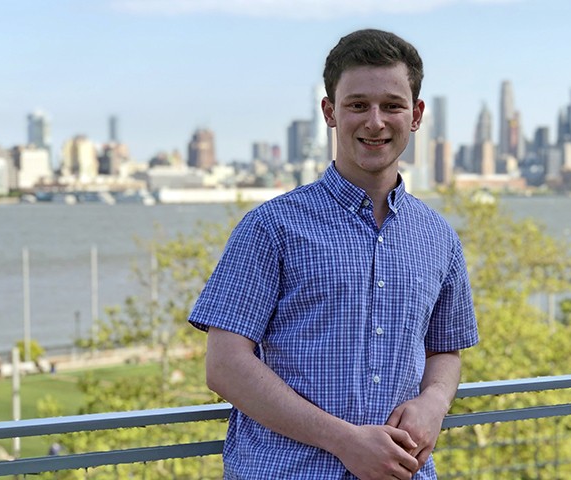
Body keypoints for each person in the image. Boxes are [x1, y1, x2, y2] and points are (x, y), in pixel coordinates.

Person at [189, 28, 479, 480]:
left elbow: (445, 349)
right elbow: (224, 366)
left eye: (393, 105)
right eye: (358, 105)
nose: (375, 121)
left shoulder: (438, 237)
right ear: (330, 112)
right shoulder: (271, 226)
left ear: (417, 114)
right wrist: (344, 441)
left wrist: (433, 404)